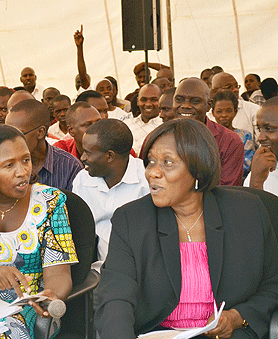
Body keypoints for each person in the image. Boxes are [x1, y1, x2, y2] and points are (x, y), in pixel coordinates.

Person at [95, 118, 278, 339]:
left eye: (168, 162)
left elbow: (272, 284)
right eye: (151, 161)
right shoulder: (131, 219)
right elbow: (115, 297)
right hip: (158, 334)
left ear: (198, 169)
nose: (153, 172)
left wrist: (237, 317)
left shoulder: (247, 212)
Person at [0, 124, 78, 339]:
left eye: (26, 160)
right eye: (9, 165)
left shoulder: (50, 201)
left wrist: (52, 295)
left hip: (18, 308)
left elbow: (59, 273)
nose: (23, 172)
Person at [72, 119, 149, 271]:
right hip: (99, 272)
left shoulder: (147, 179)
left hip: (142, 269)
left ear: (109, 156)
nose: (82, 158)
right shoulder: (82, 179)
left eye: (88, 152)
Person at [174, 77, 244, 186]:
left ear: (209, 106)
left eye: (195, 101)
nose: (185, 106)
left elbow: (227, 191)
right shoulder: (158, 138)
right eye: (179, 100)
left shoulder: (230, 141)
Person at [5, 99, 83, 191]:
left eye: (18, 134)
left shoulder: (70, 167)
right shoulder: (1, 165)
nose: (9, 140)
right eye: (6, 133)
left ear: (40, 132)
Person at [211, 91, 255, 179]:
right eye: (219, 111)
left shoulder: (245, 136)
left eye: (228, 111)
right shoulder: (208, 136)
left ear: (235, 112)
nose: (224, 115)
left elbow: (247, 164)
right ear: (213, 113)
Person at [209, 72, 259, 141]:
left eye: (236, 86)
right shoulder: (207, 117)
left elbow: (261, 142)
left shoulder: (254, 109)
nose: (235, 90)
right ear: (215, 91)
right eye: (229, 87)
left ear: (235, 112)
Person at [244, 97, 278, 195]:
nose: (260, 137)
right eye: (259, 129)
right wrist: (256, 182)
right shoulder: (261, 171)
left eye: (269, 129)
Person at [124, 84, 163, 154]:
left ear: (161, 101)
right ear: (137, 101)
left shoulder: (165, 126)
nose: (148, 104)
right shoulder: (126, 125)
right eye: (144, 100)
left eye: (153, 100)